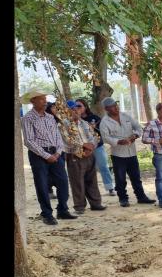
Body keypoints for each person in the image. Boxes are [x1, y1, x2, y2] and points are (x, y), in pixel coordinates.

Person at [20, 90, 76, 225]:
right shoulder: (27, 118)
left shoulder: (50, 117)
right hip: (38, 155)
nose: (45, 102)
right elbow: (28, 140)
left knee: (63, 181)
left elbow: (57, 136)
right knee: (42, 184)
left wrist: (57, 153)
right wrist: (46, 155)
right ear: (33, 101)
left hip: (56, 153)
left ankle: (62, 210)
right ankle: (47, 214)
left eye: (45, 99)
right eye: (41, 100)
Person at [99, 97, 155, 207]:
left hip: (132, 152)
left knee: (136, 177)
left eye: (116, 105)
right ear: (107, 109)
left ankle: (141, 197)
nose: (116, 107)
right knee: (120, 178)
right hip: (118, 154)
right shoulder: (104, 122)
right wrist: (118, 141)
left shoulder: (126, 116)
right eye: (113, 106)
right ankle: (123, 199)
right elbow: (105, 137)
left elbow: (138, 127)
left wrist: (135, 135)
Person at [61, 101, 106, 214]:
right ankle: (79, 207)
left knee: (92, 179)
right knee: (77, 182)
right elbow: (67, 140)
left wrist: (91, 147)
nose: (75, 111)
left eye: (77, 108)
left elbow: (94, 136)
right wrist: (83, 145)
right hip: (74, 155)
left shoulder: (85, 123)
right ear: (67, 111)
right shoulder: (63, 125)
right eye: (72, 109)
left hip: (90, 154)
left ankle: (96, 203)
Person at [77, 98, 116, 196]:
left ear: (85, 107)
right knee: (87, 170)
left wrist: (94, 128)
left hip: (97, 146)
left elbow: (102, 131)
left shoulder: (94, 117)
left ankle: (110, 187)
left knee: (103, 166)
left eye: (79, 106)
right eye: (75, 106)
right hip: (83, 148)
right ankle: (88, 191)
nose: (77, 108)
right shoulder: (74, 120)